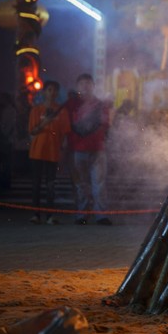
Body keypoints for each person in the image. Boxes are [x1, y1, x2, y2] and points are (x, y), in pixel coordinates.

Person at [66, 73, 112, 225]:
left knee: (99, 184)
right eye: (82, 84)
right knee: (81, 185)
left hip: (97, 149)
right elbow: (66, 125)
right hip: (77, 149)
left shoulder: (100, 104)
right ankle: (82, 214)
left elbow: (105, 125)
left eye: (88, 83)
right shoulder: (72, 104)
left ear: (93, 86)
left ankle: (101, 215)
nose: (85, 86)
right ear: (77, 87)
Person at [27, 81, 71, 224]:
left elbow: (65, 132)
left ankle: (50, 215)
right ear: (44, 92)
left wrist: (62, 149)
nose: (52, 93)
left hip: (53, 151)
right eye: (49, 90)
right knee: (36, 184)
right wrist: (45, 123)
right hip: (37, 151)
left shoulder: (62, 111)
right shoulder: (36, 110)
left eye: (55, 90)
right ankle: (35, 214)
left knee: (51, 184)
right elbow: (32, 131)